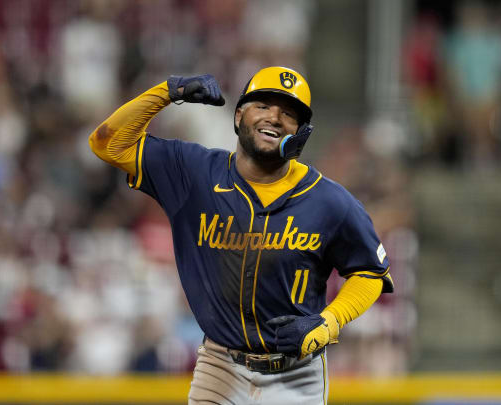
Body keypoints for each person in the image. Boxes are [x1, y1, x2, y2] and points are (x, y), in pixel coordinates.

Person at [89, 66, 393, 404]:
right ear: (238, 117)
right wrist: (167, 92)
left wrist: (329, 322)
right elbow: (108, 144)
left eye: (289, 114)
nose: (274, 117)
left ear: (302, 134)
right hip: (220, 365)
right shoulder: (194, 174)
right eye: (262, 106)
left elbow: (371, 272)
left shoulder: (330, 201)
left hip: (297, 374)